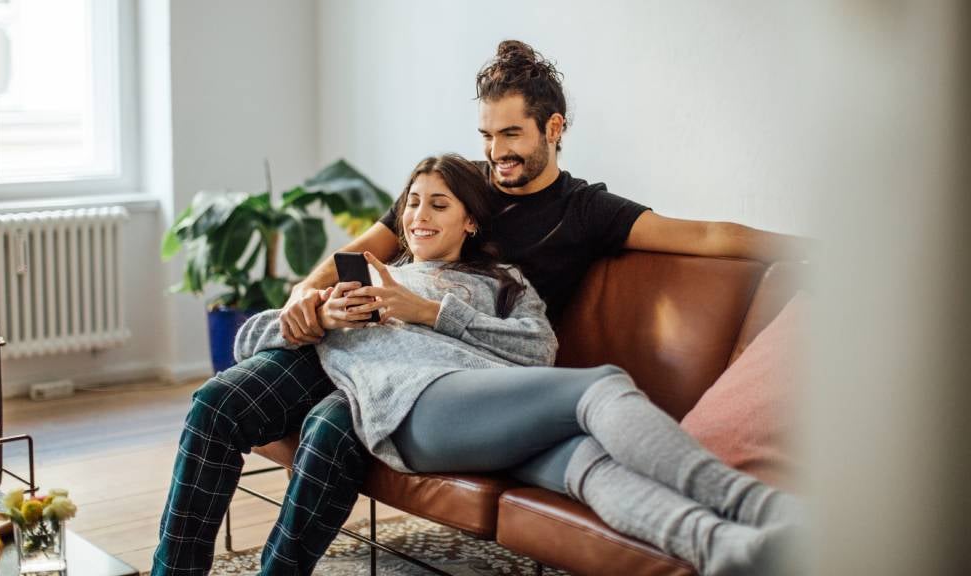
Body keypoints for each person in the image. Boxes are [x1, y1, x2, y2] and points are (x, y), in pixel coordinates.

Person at [153, 40, 807, 575]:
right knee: (218, 405)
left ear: (554, 129)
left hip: (457, 375)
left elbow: (707, 236)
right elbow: (365, 247)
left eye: (512, 134)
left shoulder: (583, 212)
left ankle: (730, 544)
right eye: (488, 135)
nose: (496, 153)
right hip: (363, 345)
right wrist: (307, 296)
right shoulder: (458, 183)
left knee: (344, 432)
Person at [237, 153, 801, 576]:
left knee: (589, 464)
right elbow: (254, 337)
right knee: (600, 386)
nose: (419, 216)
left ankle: (725, 548)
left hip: (492, 409)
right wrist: (317, 312)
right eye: (412, 203)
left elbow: (537, 350)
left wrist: (432, 312)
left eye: (438, 204)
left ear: (470, 222)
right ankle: (758, 506)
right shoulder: (365, 285)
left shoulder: (504, 283)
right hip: (414, 408)